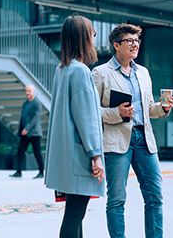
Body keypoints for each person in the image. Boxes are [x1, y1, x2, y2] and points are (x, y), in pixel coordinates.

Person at [92, 23, 173, 238]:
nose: (135, 44)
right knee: (117, 199)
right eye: (129, 41)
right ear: (116, 45)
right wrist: (116, 113)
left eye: (137, 41)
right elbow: (91, 112)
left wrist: (163, 108)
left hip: (145, 140)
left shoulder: (144, 73)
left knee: (155, 197)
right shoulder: (101, 73)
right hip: (117, 141)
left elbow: (148, 109)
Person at [44, 14, 105, 238]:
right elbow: (86, 117)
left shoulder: (63, 69)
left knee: (75, 214)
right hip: (79, 156)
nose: (94, 38)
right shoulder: (80, 71)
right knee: (74, 215)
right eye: (92, 33)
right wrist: (95, 154)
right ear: (83, 38)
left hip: (66, 154)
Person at [9, 85, 45, 179]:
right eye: (26, 91)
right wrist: (21, 130)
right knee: (20, 152)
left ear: (33, 92)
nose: (27, 93)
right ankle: (18, 172)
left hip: (34, 133)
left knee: (37, 153)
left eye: (29, 91)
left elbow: (35, 118)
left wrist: (27, 128)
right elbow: (22, 118)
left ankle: (41, 172)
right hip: (24, 133)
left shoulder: (37, 103)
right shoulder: (25, 104)